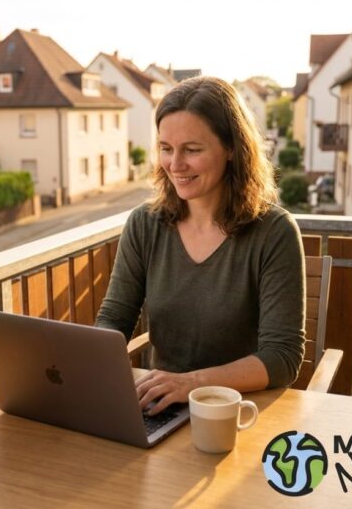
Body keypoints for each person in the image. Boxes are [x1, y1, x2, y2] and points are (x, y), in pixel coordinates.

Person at [95, 76, 305, 415]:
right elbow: (113, 320)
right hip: (159, 406)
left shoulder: (273, 233)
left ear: (232, 149)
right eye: (166, 148)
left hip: (239, 413)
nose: (175, 165)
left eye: (192, 150)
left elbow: (281, 358)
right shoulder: (145, 225)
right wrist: (86, 359)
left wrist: (190, 383)